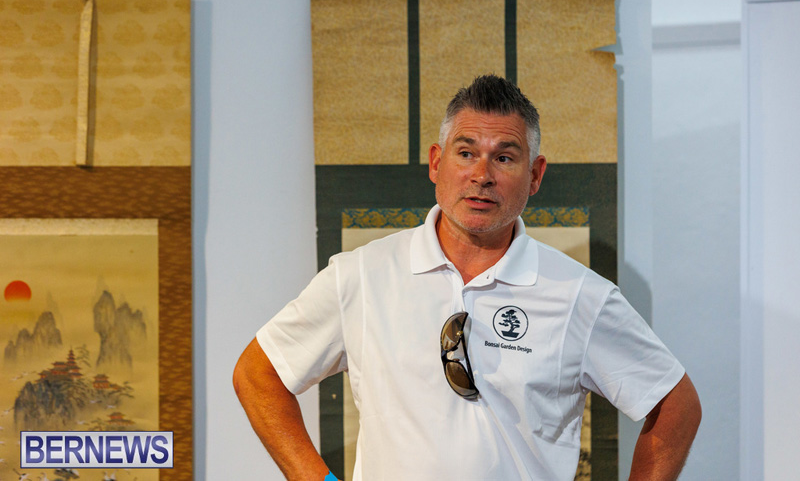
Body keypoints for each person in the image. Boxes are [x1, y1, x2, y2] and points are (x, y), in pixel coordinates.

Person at [233, 74, 701, 480]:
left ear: (535, 175)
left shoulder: (580, 296)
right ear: (437, 162)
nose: (481, 175)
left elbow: (675, 403)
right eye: (466, 152)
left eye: (504, 158)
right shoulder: (360, 276)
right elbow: (258, 373)